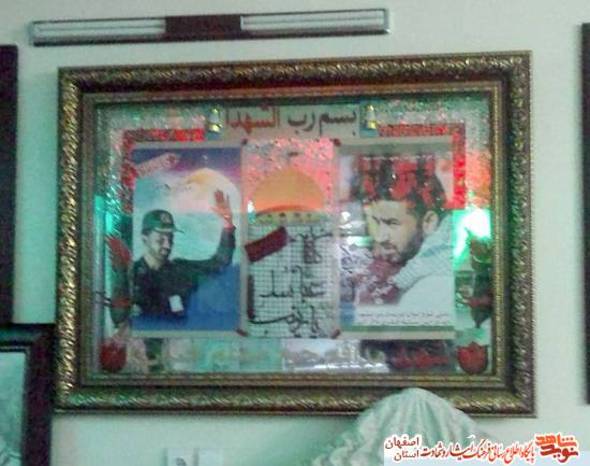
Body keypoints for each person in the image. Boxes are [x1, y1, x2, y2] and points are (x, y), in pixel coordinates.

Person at [132, 189, 235, 319]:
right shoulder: (131, 275)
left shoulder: (181, 271)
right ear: (144, 238)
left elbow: (220, 262)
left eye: (170, 238)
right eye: (160, 239)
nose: (167, 245)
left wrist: (227, 225)